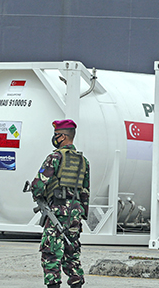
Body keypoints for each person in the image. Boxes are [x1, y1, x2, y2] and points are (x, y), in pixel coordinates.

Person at [30, 119, 90, 288]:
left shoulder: (55, 157)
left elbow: (39, 184)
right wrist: (80, 215)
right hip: (75, 213)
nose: (54, 138)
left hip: (57, 211)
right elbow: (85, 192)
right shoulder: (83, 161)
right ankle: (76, 283)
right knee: (72, 252)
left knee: (51, 253)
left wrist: (38, 196)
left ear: (63, 137)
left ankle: (53, 285)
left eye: (56, 135)